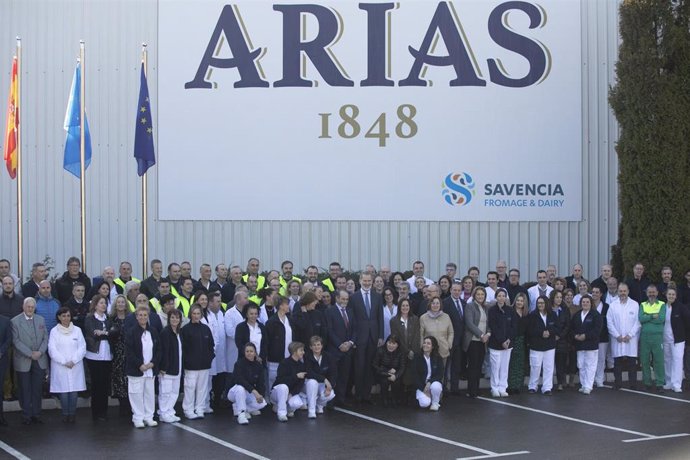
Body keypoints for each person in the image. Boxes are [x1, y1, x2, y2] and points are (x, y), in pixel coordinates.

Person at [12, 297, 48, 424]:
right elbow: (16, 341)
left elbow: (45, 338)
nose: (30, 309)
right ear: (23, 307)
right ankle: (26, 415)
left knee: (37, 389)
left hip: (39, 359)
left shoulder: (41, 320)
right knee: (24, 389)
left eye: (32, 307)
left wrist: (40, 352)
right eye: (28, 306)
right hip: (23, 360)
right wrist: (29, 353)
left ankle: (36, 414)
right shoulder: (15, 321)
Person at [349, 272, 384, 404]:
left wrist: (380, 336)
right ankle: (358, 394)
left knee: (370, 366)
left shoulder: (377, 297)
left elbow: (380, 317)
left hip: (373, 337)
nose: (367, 283)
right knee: (359, 366)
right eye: (365, 280)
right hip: (359, 337)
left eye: (369, 281)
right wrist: (353, 338)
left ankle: (366, 395)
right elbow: (352, 320)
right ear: (360, 280)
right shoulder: (354, 297)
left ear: (372, 282)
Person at [48, 307, 86, 423]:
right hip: (61, 366)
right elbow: (52, 349)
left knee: (74, 391)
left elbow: (82, 347)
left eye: (68, 316)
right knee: (63, 391)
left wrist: (74, 360)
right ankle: (65, 414)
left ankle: (72, 414)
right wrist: (64, 361)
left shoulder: (77, 330)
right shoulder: (54, 331)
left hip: (75, 365)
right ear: (59, 317)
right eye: (63, 316)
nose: (66, 318)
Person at [126, 305, 161, 428]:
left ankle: (149, 417)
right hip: (137, 370)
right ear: (136, 316)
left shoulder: (153, 331)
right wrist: (139, 365)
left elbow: (158, 350)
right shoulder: (131, 332)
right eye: (140, 315)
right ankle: (138, 418)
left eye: (145, 315)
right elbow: (129, 351)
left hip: (150, 369)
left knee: (149, 394)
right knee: (136, 394)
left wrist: (153, 363)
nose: (143, 317)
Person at [181, 304, 215, 419]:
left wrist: (209, 358)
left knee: (202, 388)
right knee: (189, 388)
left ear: (201, 315)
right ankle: (188, 409)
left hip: (204, 365)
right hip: (191, 366)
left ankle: (200, 408)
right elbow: (183, 348)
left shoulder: (206, 329)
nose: (196, 316)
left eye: (198, 314)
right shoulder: (185, 329)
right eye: (194, 313)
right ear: (190, 314)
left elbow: (211, 345)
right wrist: (186, 362)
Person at [84, 295, 113, 421]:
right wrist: (105, 334)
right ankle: (96, 412)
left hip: (107, 356)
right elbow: (93, 334)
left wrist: (104, 333)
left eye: (105, 303)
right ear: (95, 305)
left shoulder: (108, 319)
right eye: (101, 303)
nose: (103, 305)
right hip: (94, 356)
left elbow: (113, 334)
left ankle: (104, 412)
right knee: (96, 385)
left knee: (104, 384)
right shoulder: (90, 318)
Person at [607, 283, 640, 390]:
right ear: (618, 292)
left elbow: (638, 322)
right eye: (620, 291)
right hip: (617, 339)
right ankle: (618, 383)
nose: (622, 293)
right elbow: (609, 321)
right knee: (617, 362)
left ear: (628, 291)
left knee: (632, 363)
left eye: (624, 291)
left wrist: (630, 335)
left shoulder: (635, 305)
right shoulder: (613, 305)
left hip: (631, 339)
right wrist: (617, 335)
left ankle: (633, 384)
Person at [325, 290, 355, 407]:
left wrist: (350, 343)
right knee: (333, 375)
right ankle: (330, 400)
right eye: (343, 299)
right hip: (334, 350)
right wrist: (340, 344)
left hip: (348, 350)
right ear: (337, 298)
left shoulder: (350, 311)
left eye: (347, 299)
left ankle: (341, 399)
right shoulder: (329, 311)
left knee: (344, 375)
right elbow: (330, 330)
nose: (345, 301)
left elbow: (355, 329)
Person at [570, 295, 603, 395]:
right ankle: (583, 384)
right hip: (579, 345)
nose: (585, 304)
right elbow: (572, 328)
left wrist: (586, 336)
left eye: (587, 302)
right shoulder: (577, 315)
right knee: (581, 365)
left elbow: (597, 330)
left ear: (591, 303)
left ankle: (588, 386)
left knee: (590, 366)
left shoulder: (596, 315)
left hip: (591, 345)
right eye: (583, 302)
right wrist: (575, 336)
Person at [487, 288, 517, 397]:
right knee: (495, 367)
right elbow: (493, 327)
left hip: (508, 344)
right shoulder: (492, 310)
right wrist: (502, 340)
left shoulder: (510, 310)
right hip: (495, 344)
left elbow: (513, 327)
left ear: (506, 297)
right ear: (496, 297)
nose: (501, 298)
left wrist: (508, 339)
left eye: (503, 296)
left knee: (505, 367)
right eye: (499, 296)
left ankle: (503, 387)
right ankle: (494, 388)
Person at [228, 342, 267, 425]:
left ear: (255, 353)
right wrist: (254, 391)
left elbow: (261, 383)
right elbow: (239, 380)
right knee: (240, 388)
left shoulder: (259, 366)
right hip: (234, 392)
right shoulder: (239, 364)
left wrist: (261, 395)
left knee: (263, 403)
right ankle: (241, 414)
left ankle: (238, 407)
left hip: (248, 392)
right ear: (244, 352)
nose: (249, 353)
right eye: (247, 351)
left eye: (251, 351)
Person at [526, 295, 557, 395]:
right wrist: (541, 333)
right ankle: (532, 386)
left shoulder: (552, 315)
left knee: (548, 367)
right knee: (535, 366)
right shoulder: (532, 315)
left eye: (542, 303)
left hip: (549, 346)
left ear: (546, 303)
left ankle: (547, 387)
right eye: (538, 303)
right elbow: (529, 330)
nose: (540, 305)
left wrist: (550, 332)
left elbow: (557, 328)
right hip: (536, 346)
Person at [201, 291, 226, 413]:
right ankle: (204, 404)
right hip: (207, 353)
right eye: (217, 302)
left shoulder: (221, 314)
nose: (220, 304)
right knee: (206, 381)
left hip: (219, 353)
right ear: (210, 303)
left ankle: (211, 402)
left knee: (214, 380)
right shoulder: (204, 315)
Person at [270, 341, 308, 422]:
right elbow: (281, 380)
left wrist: (291, 393)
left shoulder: (301, 365)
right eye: (301, 350)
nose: (303, 352)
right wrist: (296, 376)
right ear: (294, 351)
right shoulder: (284, 363)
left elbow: (300, 384)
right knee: (284, 387)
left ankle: (284, 407)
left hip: (290, 393)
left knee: (297, 403)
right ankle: (282, 413)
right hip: (278, 392)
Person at [464, 287, 490, 398]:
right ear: (474, 295)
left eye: (482, 294)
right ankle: (471, 390)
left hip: (483, 341)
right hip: (473, 340)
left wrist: (488, 334)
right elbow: (469, 323)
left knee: (479, 366)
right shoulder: (470, 306)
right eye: (478, 294)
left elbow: (489, 323)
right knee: (473, 366)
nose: (480, 296)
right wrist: (481, 335)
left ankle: (476, 388)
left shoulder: (485, 307)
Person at [639, 285, 666, 392]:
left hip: (657, 337)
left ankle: (660, 383)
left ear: (657, 293)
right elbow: (641, 318)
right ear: (647, 293)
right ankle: (647, 383)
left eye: (653, 292)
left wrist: (647, 317)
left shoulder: (662, 304)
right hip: (645, 336)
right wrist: (652, 316)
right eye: (649, 292)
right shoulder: (642, 305)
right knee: (645, 360)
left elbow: (661, 319)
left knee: (658, 361)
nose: (651, 294)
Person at [158, 309, 183, 423]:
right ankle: (163, 412)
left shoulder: (179, 333)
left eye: (177, 318)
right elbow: (163, 351)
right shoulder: (165, 332)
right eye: (172, 317)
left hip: (177, 368)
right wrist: (163, 367)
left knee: (174, 392)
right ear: (169, 319)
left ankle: (169, 411)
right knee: (165, 392)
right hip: (167, 369)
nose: (175, 320)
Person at [304, 336, 335, 417]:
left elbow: (333, 373)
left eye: (318, 344)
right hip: (310, 383)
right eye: (314, 345)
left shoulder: (328, 356)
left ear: (322, 345)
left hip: (322, 383)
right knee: (312, 382)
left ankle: (319, 404)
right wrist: (324, 379)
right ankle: (311, 411)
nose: (316, 347)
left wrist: (329, 386)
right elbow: (309, 373)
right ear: (310, 347)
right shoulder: (306, 357)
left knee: (331, 394)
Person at [266, 297, 293, 391]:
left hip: (288, 356)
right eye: (287, 304)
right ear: (281, 306)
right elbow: (267, 341)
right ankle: (273, 401)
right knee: (273, 379)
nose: (288, 306)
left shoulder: (290, 319)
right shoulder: (272, 322)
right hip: (275, 358)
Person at [663, 287, 687, 392]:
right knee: (667, 360)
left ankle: (677, 384)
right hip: (665, 339)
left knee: (677, 361)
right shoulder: (662, 307)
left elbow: (687, 321)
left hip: (678, 340)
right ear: (666, 295)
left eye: (673, 294)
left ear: (676, 296)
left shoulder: (681, 307)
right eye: (669, 294)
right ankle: (668, 382)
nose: (671, 296)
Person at [443, 281, 466, 394]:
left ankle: (454, 388)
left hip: (460, 341)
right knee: (446, 365)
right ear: (450, 290)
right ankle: (444, 388)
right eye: (454, 290)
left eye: (459, 290)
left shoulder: (463, 303)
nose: (457, 292)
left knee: (456, 366)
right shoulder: (445, 303)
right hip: (449, 340)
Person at [109, 294, 130, 416]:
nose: (121, 304)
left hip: (128, 353)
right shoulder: (111, 319)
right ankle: (123, 407)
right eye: (118, 302)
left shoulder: (131, 318)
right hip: (117, 354)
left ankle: (130, 407)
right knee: (119, 381)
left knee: (129, 381)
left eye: (123, 302)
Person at [419, 296, 453, 367]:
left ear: (440, 305)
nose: (435, 305)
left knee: (441, 373)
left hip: (443, 349)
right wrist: (422, 346)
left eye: (437, 303)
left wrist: (448, 344)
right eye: (433, 303)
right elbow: (421, 334)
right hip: (428, 351)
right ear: (430, 305)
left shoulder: (446, 317)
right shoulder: (423, 318)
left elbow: (451, 332)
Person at [373, 334, 405, 407]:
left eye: (394, 343)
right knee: (385, 381)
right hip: (382, 373)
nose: (391, 345)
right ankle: (384, 399)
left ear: (397, 345)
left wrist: (395, 376)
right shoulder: (380, 350)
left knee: (396, 381)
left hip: (395, 374)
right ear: (386, 342)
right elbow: (375, 366)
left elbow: (402, 368)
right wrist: (388, 373)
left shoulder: (401, 352)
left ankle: (394, 399)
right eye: (389, 343)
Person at [413, 336, 444, 411]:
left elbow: (440, 374)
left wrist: (430, 382)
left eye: (428, 343)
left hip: (432, 383)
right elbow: (415, 375)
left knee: (436, 386)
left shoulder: (438, 358)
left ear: (433, 346)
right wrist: (423, 389)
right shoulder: (417, 357)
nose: (425, 345)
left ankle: (435, 403)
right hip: (421, 385)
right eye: (424, 343)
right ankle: (431, 397)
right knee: (424, 404)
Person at [507, 293, 529, 394]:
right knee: (511, 363)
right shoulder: (510, 312)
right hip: (512, 340)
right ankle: (510, 386)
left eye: (522, 301)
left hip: (522, 341)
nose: (519, 302)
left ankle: (517, 386)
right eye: (518, 300)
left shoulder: (526, 314)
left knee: (520, 364)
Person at [549, 290, 571, 390]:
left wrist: (560, 336)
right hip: (550, 339)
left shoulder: (564, 309)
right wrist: (553, 335)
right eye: (557, 297)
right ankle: (548, 384)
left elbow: (567, 325)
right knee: (548, 363)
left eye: (560, 297)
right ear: (553, 298)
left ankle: (560, 383)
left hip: (562, 340)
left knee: (560, 363)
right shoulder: (548, 309)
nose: (559, 299)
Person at [225, 290, 249, 374]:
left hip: (248, 348)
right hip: (234, 348)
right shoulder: (229, 313)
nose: (248, 300)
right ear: (238, 300)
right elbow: (230, 331)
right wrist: (244, 337)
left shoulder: (249, 313)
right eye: (245, 298)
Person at [590, 286, 610, 388]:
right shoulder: (588, 305)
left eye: (597, 292)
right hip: (591, 337)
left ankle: (599, 379)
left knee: (601, 359)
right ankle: (591, 379)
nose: (595, 294)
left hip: (603, 337)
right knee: (591, 359)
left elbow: (609, 322)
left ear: (601, 294)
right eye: (593, 292)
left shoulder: (606, 307)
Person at [0, 312, 10, 425]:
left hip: (1, 360)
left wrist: (1, 351)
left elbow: (8, 339)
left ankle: (1, 416)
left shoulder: (6, 320)